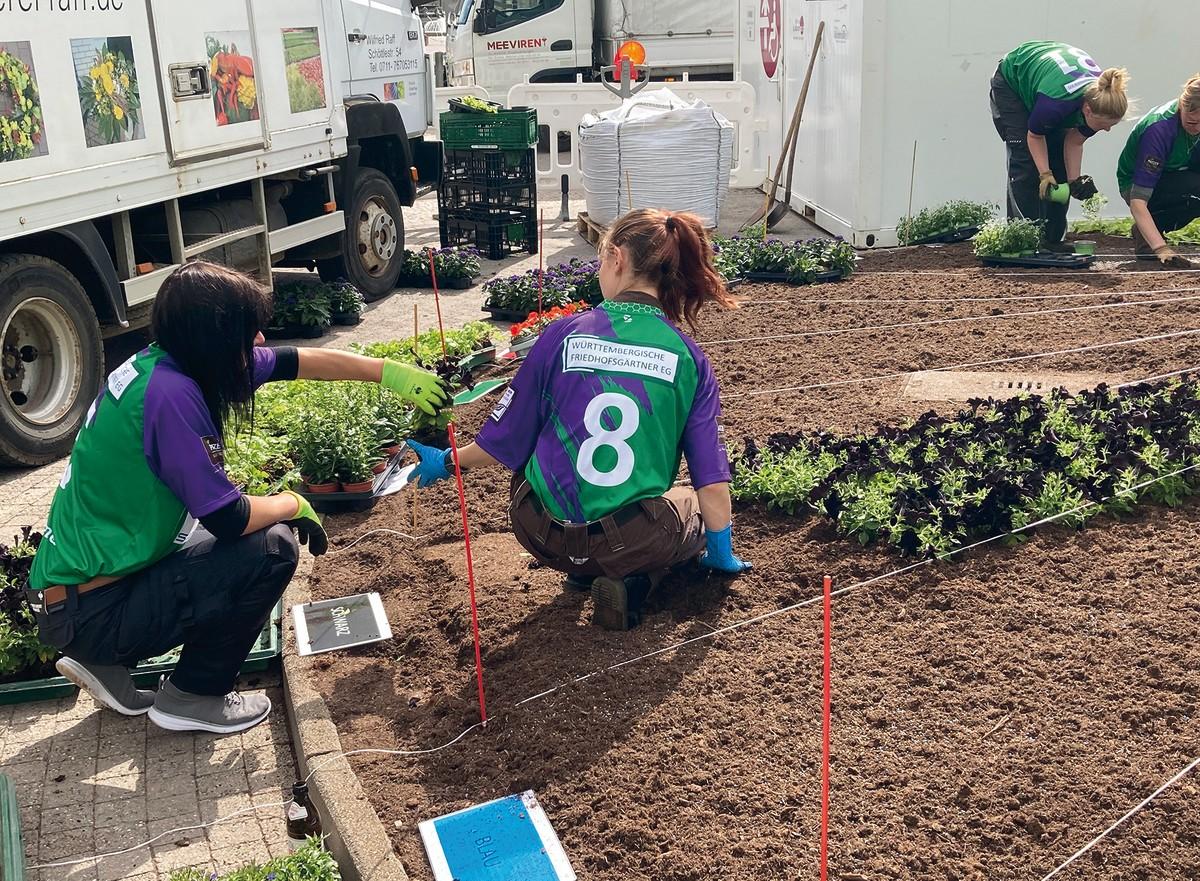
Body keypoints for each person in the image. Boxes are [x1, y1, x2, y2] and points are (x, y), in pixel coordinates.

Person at [26, 262, 447, 734]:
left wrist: (389, 373)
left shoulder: (170, 362)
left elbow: (298, 362)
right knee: (271, 546)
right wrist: (292, 502)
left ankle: (101, 663)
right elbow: (229, 517)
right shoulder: (172, 396)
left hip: (74, 598)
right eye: (250, 332)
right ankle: (194, 695)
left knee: (233, 532)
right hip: (94, 612)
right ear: (215, 336)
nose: (261, 341)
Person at [405, 208, 751, 632]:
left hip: (538, 531)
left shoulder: (562, 334)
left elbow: (504, 442)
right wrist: (720, 552)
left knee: (545, 463)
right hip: (630, 541)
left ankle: (581, 571)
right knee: (691, 504)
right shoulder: (687, 358)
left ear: (618, 258)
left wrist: (444, 461)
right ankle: (636, 581)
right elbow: (711, 479)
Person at [990, 41, 1130, 247]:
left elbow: (1074, 141)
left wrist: (1075, 181)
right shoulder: (1055, 105)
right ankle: (1023, 240)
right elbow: (1034, 137)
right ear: (1087, 110)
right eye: (1103, 125)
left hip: (1052, 85)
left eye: (1111, 125)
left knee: (1058, 162)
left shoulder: (1100, 99)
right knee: (1027, 160)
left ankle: (1053, 239)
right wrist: (1045, 174)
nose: (1106, 130)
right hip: (1013, 82)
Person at [1116, 73, 1200, 268]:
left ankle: (1147, 230)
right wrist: (1160, 248)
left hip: (1178, 171)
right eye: (1192, 122)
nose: (1197, 128)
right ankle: (1148, 238)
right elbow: (1138, 200)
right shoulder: (1159, 129)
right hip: (1136, 183)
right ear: (1182, 106)